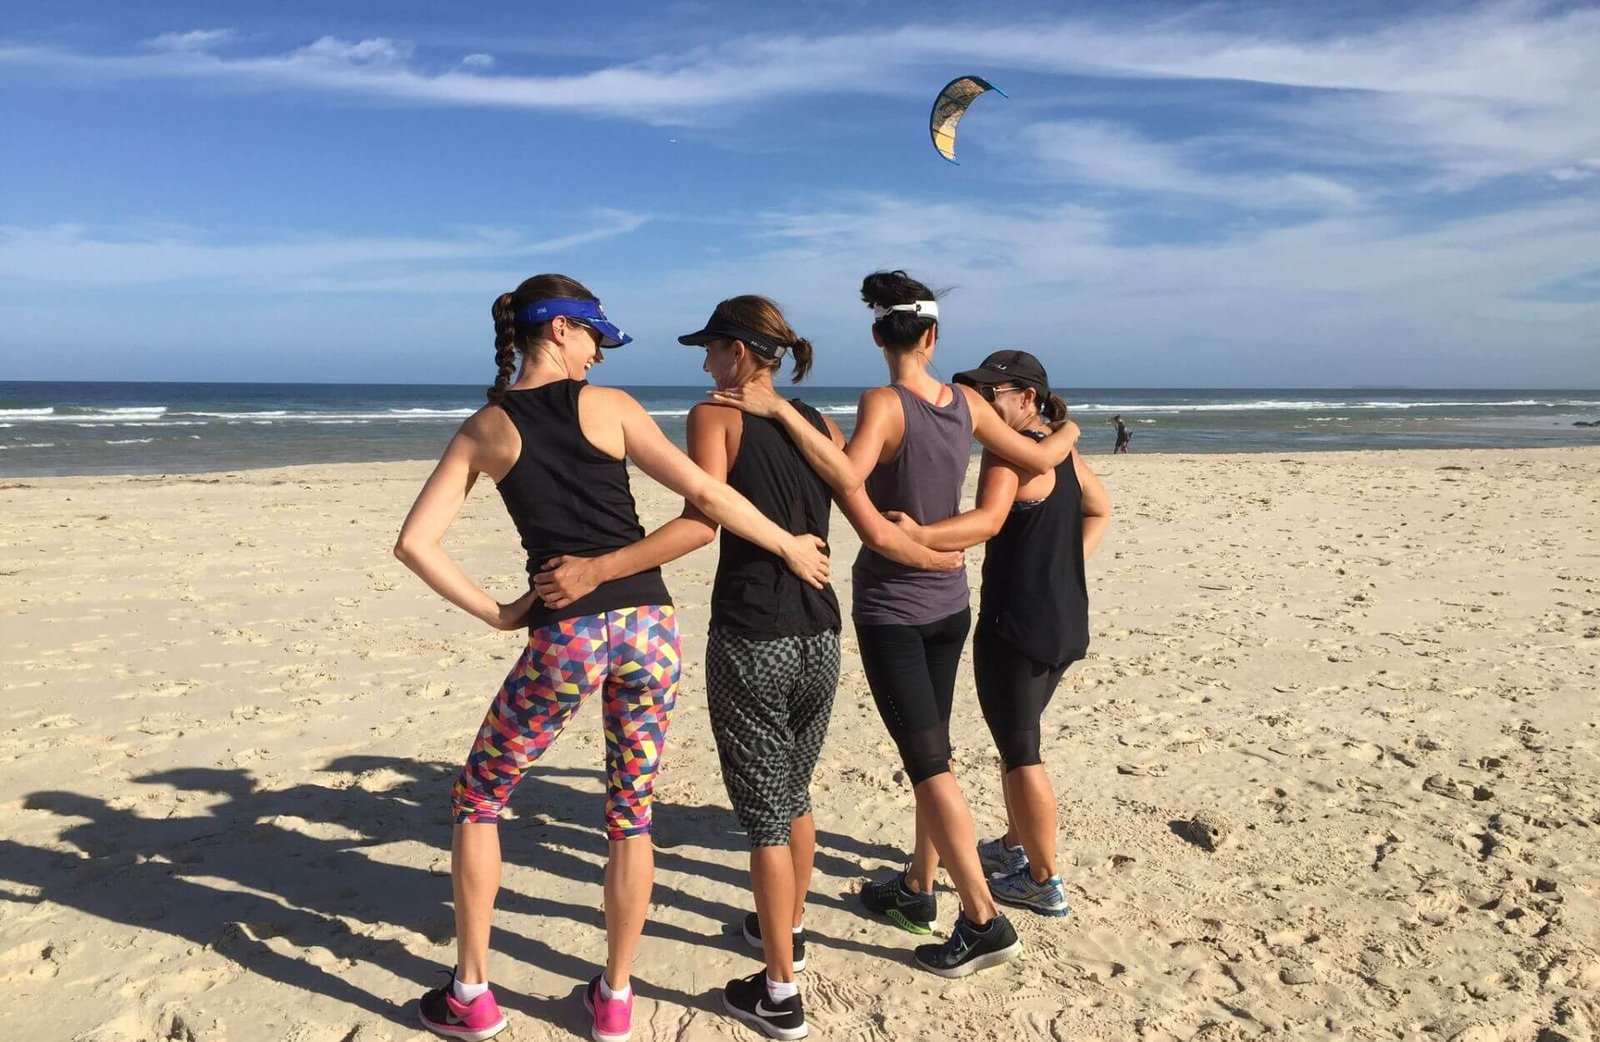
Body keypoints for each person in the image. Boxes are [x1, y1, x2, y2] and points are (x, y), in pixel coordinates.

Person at [394, 274, 833, 1042]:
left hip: (568, 635)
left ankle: (471, 993)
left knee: (480, 798)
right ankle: (617, 998)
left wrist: (501, 613)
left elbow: (415, 544)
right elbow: (707, 496)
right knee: (630, 815)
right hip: (649, 630)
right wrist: (789, 542)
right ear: (559, 330)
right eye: (594, 335)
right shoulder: (612, 409)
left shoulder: (486, 428)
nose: (599, 351)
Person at [534, 295, 959, 1039]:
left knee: (764, 815)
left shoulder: (715, 415)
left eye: (710, 349)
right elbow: (865, 520)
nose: (702, 364)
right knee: (793, 795)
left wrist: (601, 569)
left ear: (738, 350)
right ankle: (784, 931)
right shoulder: (821, 424)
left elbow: (704, 519)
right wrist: (936, 555)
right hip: (821, 632)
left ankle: (780, 992)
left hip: (752, 631)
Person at [711, 271, 1080, 979]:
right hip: (951, 604)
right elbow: (1039, 455)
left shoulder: (882, 402)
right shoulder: (969, 402)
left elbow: (844, 480)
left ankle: (981, 919)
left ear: (878, 336)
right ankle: (917, 887)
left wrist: (782, 413)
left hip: (895, 608)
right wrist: (1069, 426)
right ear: (934, 336)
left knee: (930, 765)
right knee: (932, 751)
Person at [887, 350, 1110, 918]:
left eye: (993, 395)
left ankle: (1042, 877)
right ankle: (1016, 843)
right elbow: (1099, 510)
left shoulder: (1009, 460)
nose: (981, 406)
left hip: (1018, 624)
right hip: (1065, 619)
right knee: (1024, 732)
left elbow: (985, 523)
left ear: (1027, 399)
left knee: (1021, 751)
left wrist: (922, 534)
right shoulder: (1063, 452)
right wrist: (1067, 568)